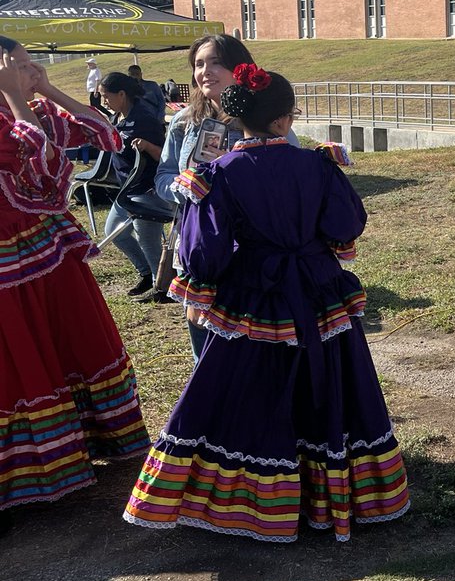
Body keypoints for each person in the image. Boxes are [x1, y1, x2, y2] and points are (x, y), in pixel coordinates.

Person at [123, 67, 409, 542]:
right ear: (282, 122)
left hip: (254, 294)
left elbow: (203, 253)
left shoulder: (216, 175)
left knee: (249, 388)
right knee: (330, 386)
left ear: (240, 122)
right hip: (319, 290)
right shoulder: (318, 164)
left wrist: (201, 289)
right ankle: (330, 490)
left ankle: (252, 500)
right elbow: (345, 224)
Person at [0, 36, 150, 524]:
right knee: (24, 352)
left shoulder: (33, 108)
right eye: (20, 66)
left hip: (49, 251)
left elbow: (106, 136)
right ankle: (34, 468)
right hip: (9, 265)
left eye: (30, 64)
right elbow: (37, 161)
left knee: (72, 341)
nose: (31, 72)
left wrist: (51, 92)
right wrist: (17, 97)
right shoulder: (14, 119)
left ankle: (90, 440)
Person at [152, 34, 297, 342]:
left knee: (247, 346)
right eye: (199, 64)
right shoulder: (183, 121)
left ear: (240, 68)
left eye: (216, 62)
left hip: (252, 252)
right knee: (202, 342)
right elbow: (164, 175)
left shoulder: (262, 118)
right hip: (198, 246)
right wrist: (188, 188)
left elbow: (289, 176)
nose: (205, 71)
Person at [98, 72, 167, 296]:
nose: (103, 101)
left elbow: (165, 157)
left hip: (147, 190)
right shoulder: (116, 117)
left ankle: (162, 286)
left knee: (147, 238)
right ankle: (147, 273)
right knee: (114, 232)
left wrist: (147, 145)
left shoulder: (145, 119)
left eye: (105, 96)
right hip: (126, 190)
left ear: (121, 94)